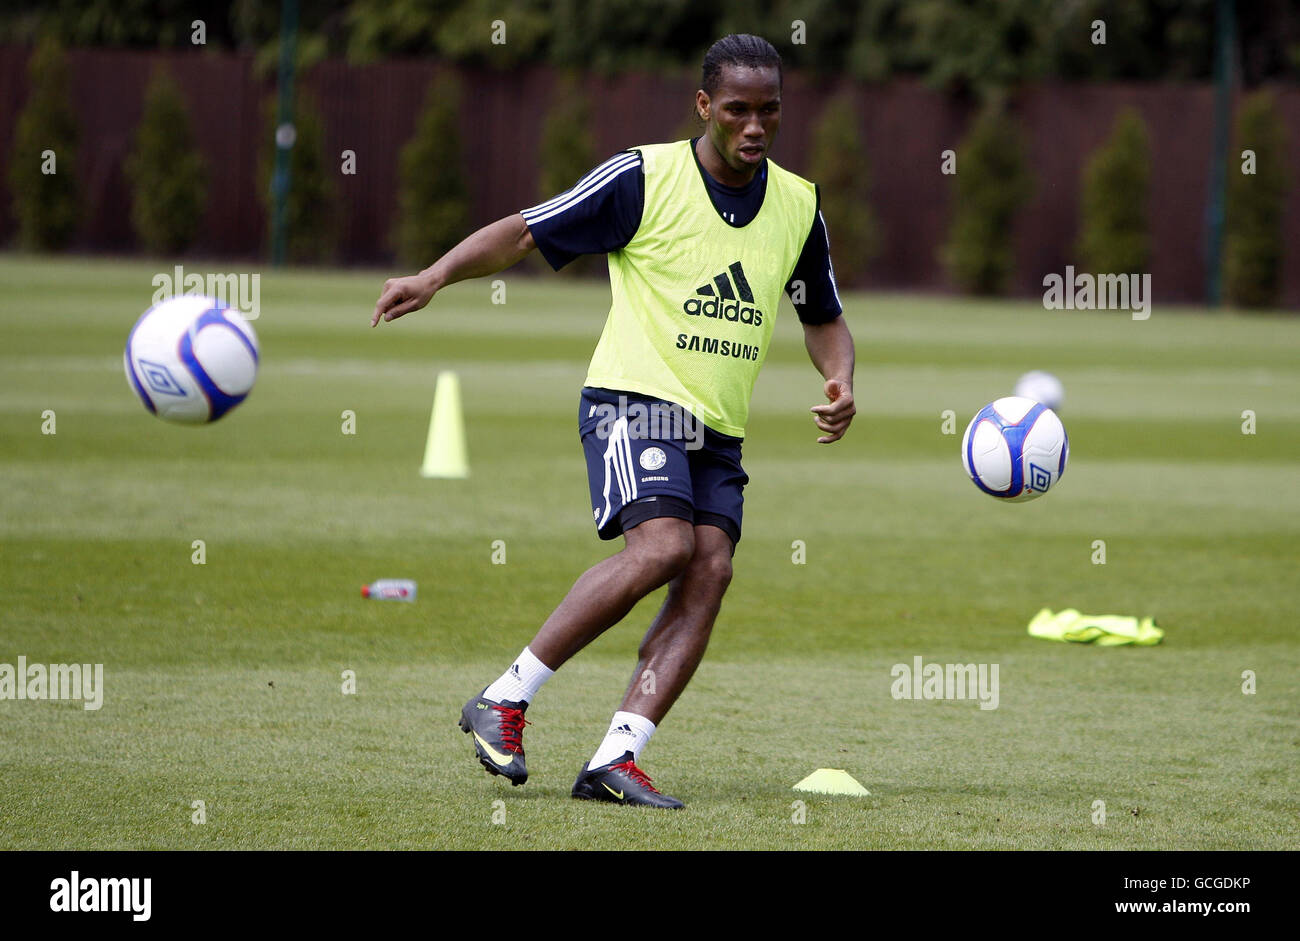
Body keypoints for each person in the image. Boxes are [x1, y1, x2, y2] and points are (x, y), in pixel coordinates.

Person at [371, 33, 855, 808]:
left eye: (769, 111)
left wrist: (839, 378)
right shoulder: (644, 176)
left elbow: (823, 314)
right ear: (705, 106)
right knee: (664, 545)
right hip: (633, 402)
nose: (755, 126)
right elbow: (527, 229)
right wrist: (435, 276)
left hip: (718, 429)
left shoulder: (799, 205)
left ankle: (616, 758)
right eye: (737, 110)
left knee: (711, 570)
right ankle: (504, 698)